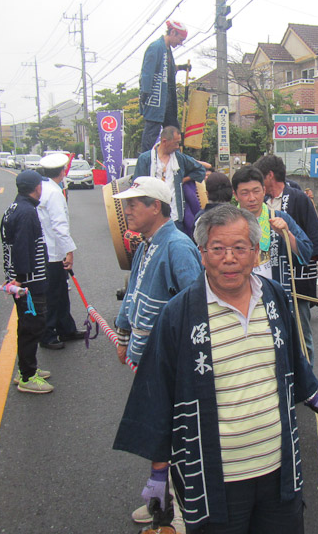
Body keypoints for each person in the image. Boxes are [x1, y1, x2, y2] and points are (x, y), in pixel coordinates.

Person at [113, 204, 318, 532]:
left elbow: (291, 356)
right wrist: (159, 472)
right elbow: (157, 394)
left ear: (255, 253)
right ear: (202, 254)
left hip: (278, 469)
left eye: (240, 248)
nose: (229, 258)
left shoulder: (274, 297)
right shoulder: (178, 315)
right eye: (217, 248)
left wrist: (313, 395)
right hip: (215, 479)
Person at [112, 176, 203, 527]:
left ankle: (178, 510)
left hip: (170, 362)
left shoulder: (178, 246)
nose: (127, 209)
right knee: (157, 430)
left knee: (175, 435)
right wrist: (123, 337)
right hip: (148, 359)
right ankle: (161, 500)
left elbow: (196, 306)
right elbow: (132, 295)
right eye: (126, 204)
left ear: (156, 207)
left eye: (134, 203)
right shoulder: (146, 245)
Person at [254, 154, 318, 364]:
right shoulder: (263, 202)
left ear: (269, 175)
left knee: (301, 336)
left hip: (296, 279)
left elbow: (316, 239)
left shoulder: (298, 198)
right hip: (269, 278)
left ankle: (307, 379)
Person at [0, 170, 53, 394]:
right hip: (28, 282)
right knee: (33, 326)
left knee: (26, 325)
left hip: (20, 279)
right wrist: (21, 279)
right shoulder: (27, 212)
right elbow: (23, 247)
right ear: (36, 187)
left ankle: (26, 368)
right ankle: (27, 376)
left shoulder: (14, 208)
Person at [231, 166, 312, 312]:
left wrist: (286, 234)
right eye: (245, 193)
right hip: (239, 298)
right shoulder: (228, 224)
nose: (252, 198)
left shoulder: (280, 218)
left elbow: (307, 251)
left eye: (256, 191)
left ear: (264, 190)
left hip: (275, 298)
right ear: (235, 195)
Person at [36, 153, 85, 350]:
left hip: (47, 249)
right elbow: (59, 226)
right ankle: (47, 334)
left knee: (61, 292)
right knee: (53, 294)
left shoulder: (43, 188)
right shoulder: (54, 193)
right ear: (63, 172)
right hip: (53, 252)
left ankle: (66, 328)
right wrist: (69, 251)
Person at [135, 125, 206, 233]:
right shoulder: (146, 159)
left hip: (175, 215)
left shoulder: (179, 158)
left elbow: (200, 170)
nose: (178, 146)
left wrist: (184, 180)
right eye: (175, 143)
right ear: (164, 141)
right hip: (152, 216)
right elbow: (137, 187)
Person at [139, 20, 190, 153]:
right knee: (151, 134)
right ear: (172, 32)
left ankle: (176, 160)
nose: (180, 43)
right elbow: (147, 72)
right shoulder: (156, 47)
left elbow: (167, 70)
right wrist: (145, 93)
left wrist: (181, 67)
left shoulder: (167, 50)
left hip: (168, 101)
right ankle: (145, 161)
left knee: (174, 133)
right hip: (156, 99)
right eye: (180, 39)